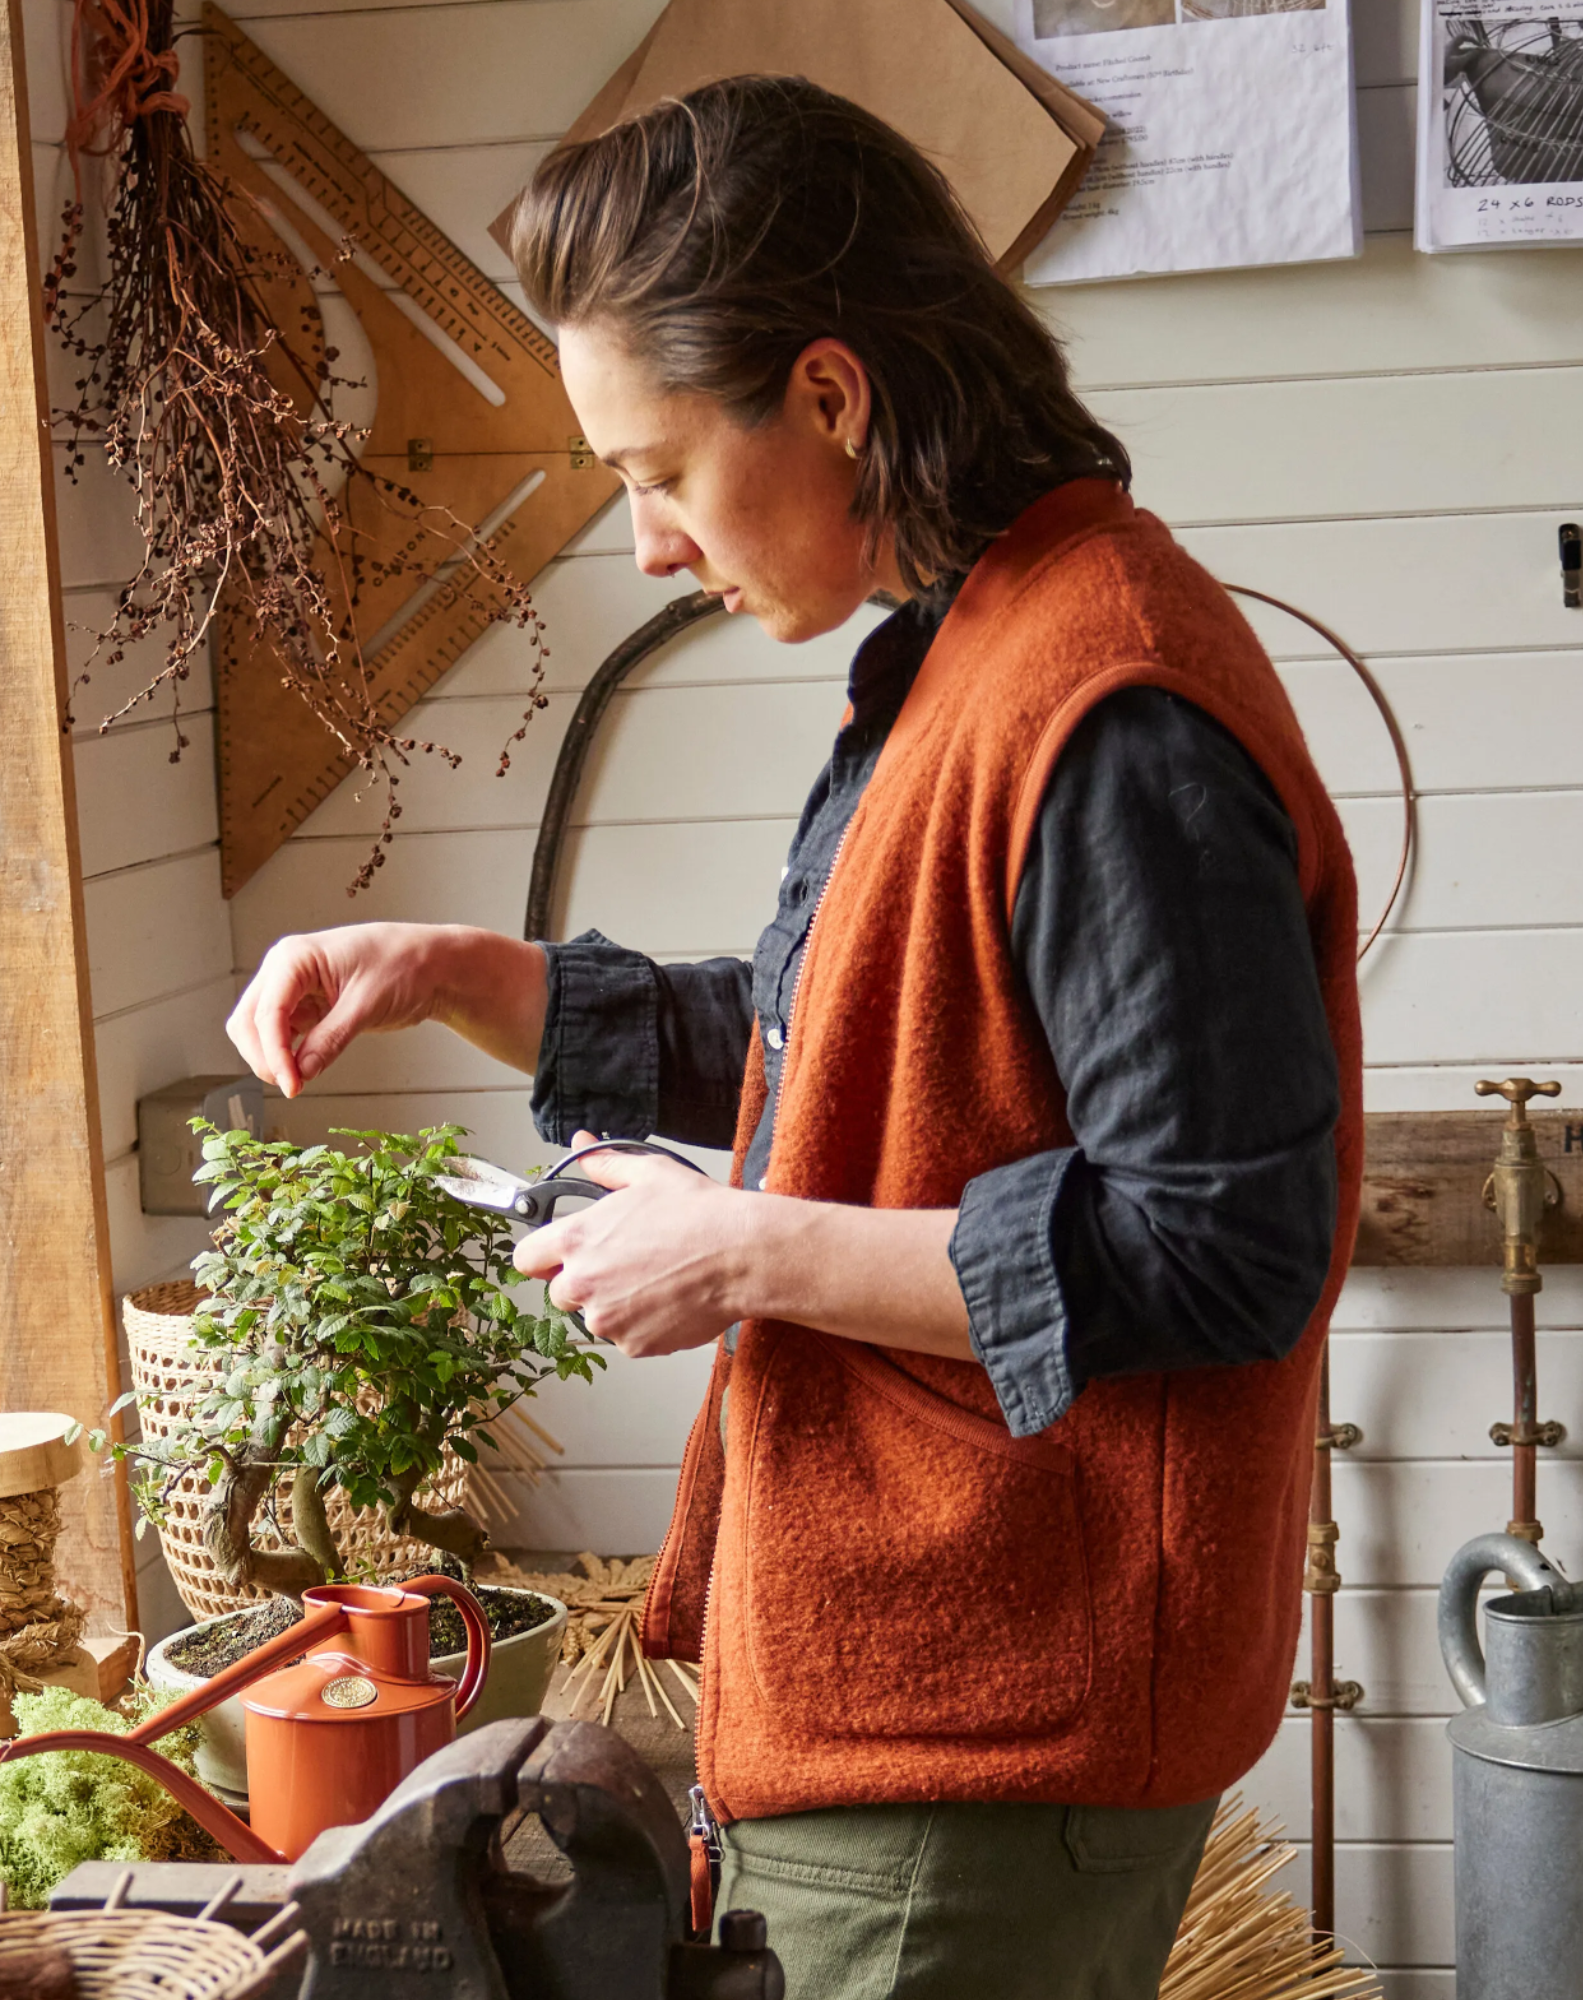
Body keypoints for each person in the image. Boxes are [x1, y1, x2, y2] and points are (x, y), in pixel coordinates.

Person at [227, 75, 1361, 1998]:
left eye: (660, 469)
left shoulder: (1111, 707)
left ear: (830, 397)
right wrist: (462, 972)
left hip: (990, 1740)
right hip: (937, 1704)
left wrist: (744, 1250)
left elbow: (1220, 1246)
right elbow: (867, 1045)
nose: (652, 544)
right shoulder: (987, 641)